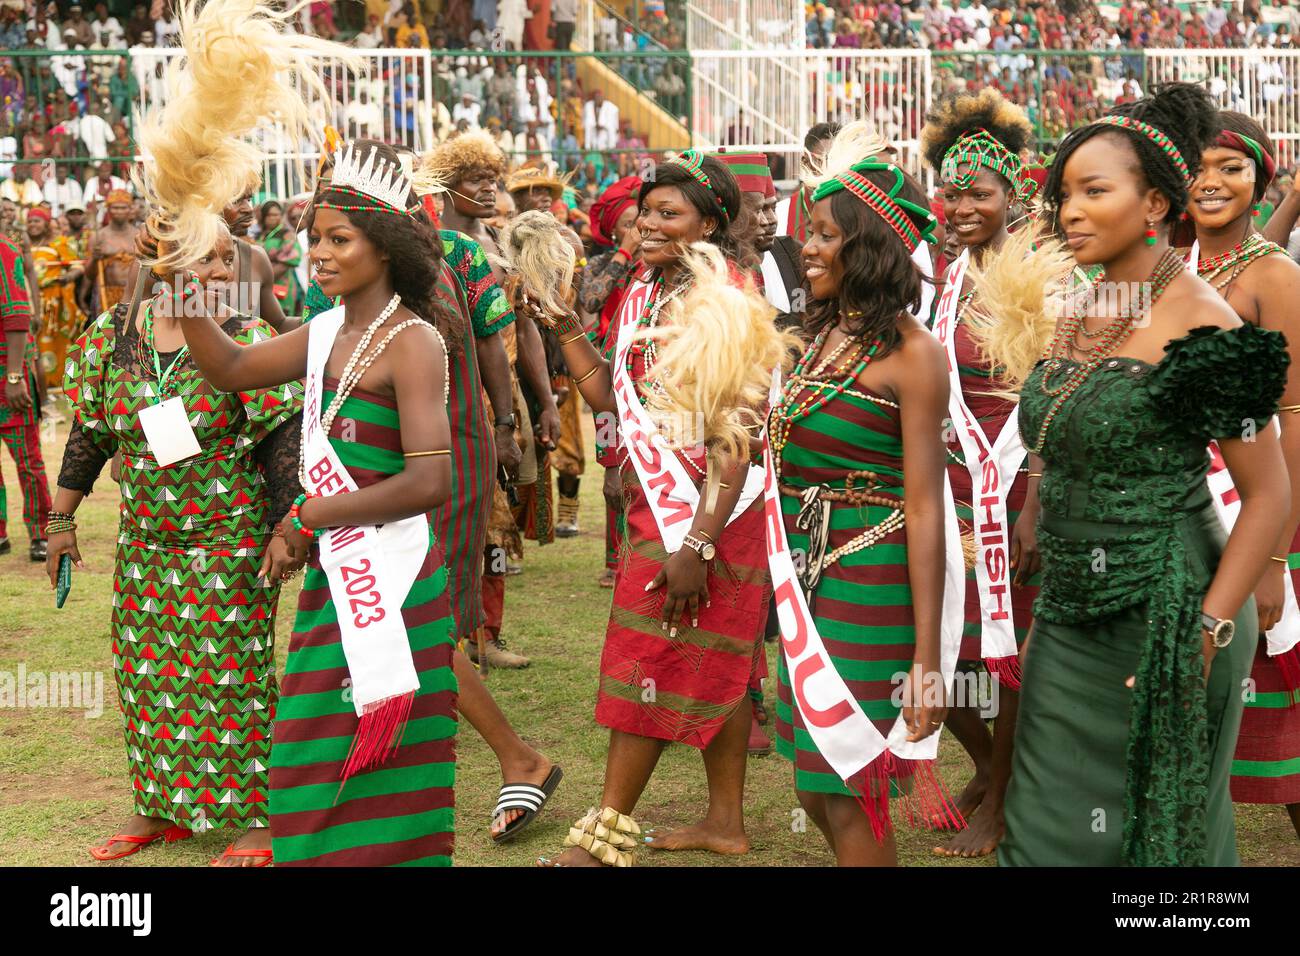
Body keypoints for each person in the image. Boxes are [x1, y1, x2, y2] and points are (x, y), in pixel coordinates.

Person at [1002, 83, 1292, 866]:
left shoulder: (1208, 322)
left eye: (1095, 191)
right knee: (1040, 838)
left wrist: (1208, 628)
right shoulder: (1079, 305)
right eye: (1064, 194)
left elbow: (1270, 496)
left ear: (1158, 204)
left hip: (1171, 612)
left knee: (1164, 849)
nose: (1069, 211)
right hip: (1066, 616)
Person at [179, 142, 461, 866]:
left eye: (340, 239)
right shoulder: (330, 329)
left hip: (390, 580)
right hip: (338, 576)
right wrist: (183, 287)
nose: (320, 256)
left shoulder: (414, 340)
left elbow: (432, 481)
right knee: (309, 738)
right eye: (313, 241)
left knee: (386, 754)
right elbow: (232, 370)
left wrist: (308, 516)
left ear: (388, 247)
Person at [538, 152, 775, 866]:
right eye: (646, 211)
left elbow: (737, 434)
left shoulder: (724, 297)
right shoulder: (646, 288)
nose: (647, 224)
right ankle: (726, 822)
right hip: (664, 503)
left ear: (710, 223)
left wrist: (698, 544)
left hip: (714, 511)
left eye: (669, 213)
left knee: (646, 652)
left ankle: (603, 831)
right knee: (722, 661)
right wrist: (562, 325)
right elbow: (613, 397)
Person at [49, 225, 302, 866]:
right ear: (163, 267)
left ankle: (261, 815)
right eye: (207, 258)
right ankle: (160, 806)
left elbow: (281, 437)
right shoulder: (114, 334)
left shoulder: (246, 337)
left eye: (228, 257)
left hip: (228, 538)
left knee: (231, 675)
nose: (224, 270)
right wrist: (61, 520)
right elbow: (90, 429)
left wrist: (284, 525)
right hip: (145, 539)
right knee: (144, 671)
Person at [771, 130, 960, 865]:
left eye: (823, 236)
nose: (806, 249)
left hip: (870, 580)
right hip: (807, 576)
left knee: (847, 790)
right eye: (807, 233)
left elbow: (926, 506)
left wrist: (925, 659)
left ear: (870, 246)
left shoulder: (913, 355)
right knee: (813, 787)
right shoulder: (819, 332)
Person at [920, 88, 1042, 859]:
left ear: (1014, 195)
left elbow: (1062, 393)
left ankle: (1003, 801)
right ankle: (987, 763)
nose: (961, 206)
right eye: (952, 192)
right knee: (947, 644)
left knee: (1014, 651)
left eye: (979, 194)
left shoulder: (1046, 272)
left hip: (1024, 484)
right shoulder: (947, 269)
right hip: (955, 483)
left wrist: (1038, 507)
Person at [1185, 111, 1300, 838]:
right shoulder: (1167, 269)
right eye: (1198, 167)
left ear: (1260, 180)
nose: (1212, 181)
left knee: (1287, 708)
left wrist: (1275, 558)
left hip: (1265, 514)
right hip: (1191, 514)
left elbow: (1297, 414)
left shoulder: (1274, 274)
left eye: (1231, 167)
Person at [428, 130, 559, 669]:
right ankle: (451, 635)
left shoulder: (504, 246)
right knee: (460, 511)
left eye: (490, 179)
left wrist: (545, 401)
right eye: (473, 180)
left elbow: (526, 327)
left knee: (501, 514)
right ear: (444, 186)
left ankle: (489, 633)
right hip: (453, 396)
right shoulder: (431, 244)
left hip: (505, 394)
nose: (487, 189)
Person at [579, 174, 640, 589]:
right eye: (632, 222)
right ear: (616, 228)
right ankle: (612, 559)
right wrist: (624, 254)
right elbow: (590, 301)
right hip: (608, 387)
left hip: (647, 383)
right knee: (613, 477)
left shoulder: (660, 268)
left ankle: (639, 557)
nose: (641, 229)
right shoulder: (604, 264)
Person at [0, 230, 50, 561]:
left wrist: (15, 376)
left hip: (7, 372)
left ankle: (41, 531)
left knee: (27, 458)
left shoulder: (4, 250)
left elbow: (18, 317)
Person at [28, 205, 84, 390]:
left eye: (36, 221)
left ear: (46, 224)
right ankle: (37, 385)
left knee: (55, 341)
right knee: (33, 342)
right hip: (30, 301)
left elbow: (77, 266)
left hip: (53, 302)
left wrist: (67, 277)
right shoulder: (22, 244)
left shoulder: (59, 243)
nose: (32, 225)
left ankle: (59, 385)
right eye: (29, 221)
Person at [222, 186, 289, 331]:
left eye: (249, 199)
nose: (248, 209)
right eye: (236, 200)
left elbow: (278, 324)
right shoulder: (178, 264)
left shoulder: (254, 257)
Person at [775, 122, 840, 244]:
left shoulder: (856, 213)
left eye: (841, 161)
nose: (835, 168)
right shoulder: (780, 216)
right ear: (805, 161)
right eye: (825, 160)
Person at [81, 188, 138, 316]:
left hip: (136, 295)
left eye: (123, 208)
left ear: (130, 209)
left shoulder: (138, 235)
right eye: (115, 208)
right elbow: (89, 274)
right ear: (108, 209)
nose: (119, 212)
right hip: (106, 295)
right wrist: (95, 259)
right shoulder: (99, 236)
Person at [256, 199, 303, 317]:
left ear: (281, 216)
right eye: (269, 215)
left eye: (276, 214)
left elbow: (289, 261)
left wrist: (264, 280)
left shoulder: (287, 234)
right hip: (261, 285)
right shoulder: (260, 236)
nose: (272, 218)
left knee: (281, 319)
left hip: (281, 283)